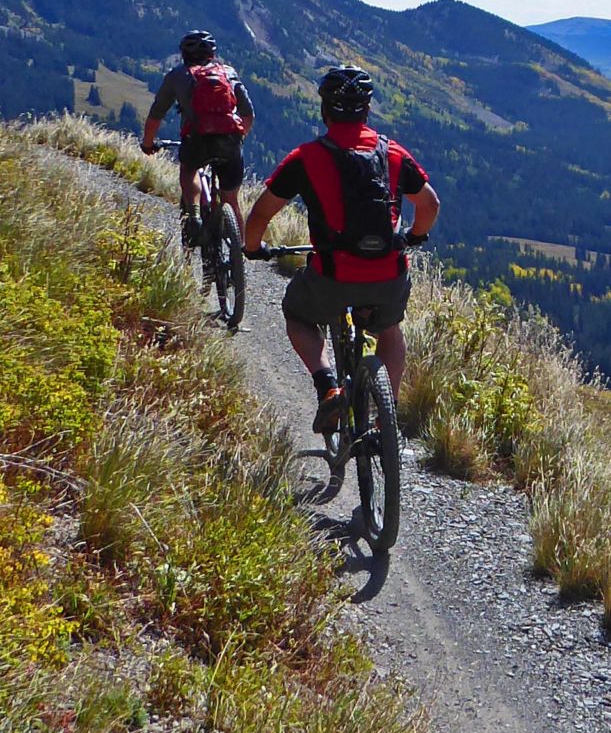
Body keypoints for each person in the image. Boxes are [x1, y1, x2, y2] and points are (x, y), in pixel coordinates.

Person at [242, 65, 440, 433]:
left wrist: (253, 248)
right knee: (390, 331)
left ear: (325, 111)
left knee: (298, 315)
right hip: (388, 273)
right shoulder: (393, 153)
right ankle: (387, 416)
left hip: (332, 274)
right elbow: (430, 204)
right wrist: (412, 238)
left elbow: (262, 212)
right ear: (367, 110)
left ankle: (327, 384)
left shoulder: (306, 157)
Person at [139, 30, 256, 247]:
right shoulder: (228, 73)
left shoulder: (177, 75)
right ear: (212, 53)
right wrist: (238, 137)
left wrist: (148, 143)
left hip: (196, 140)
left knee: (189, 170)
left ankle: (193, 214)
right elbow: (248, 113)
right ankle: (240, 254)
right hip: (229, 141)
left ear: (184, 54)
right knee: (231, 199)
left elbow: (156, 114)